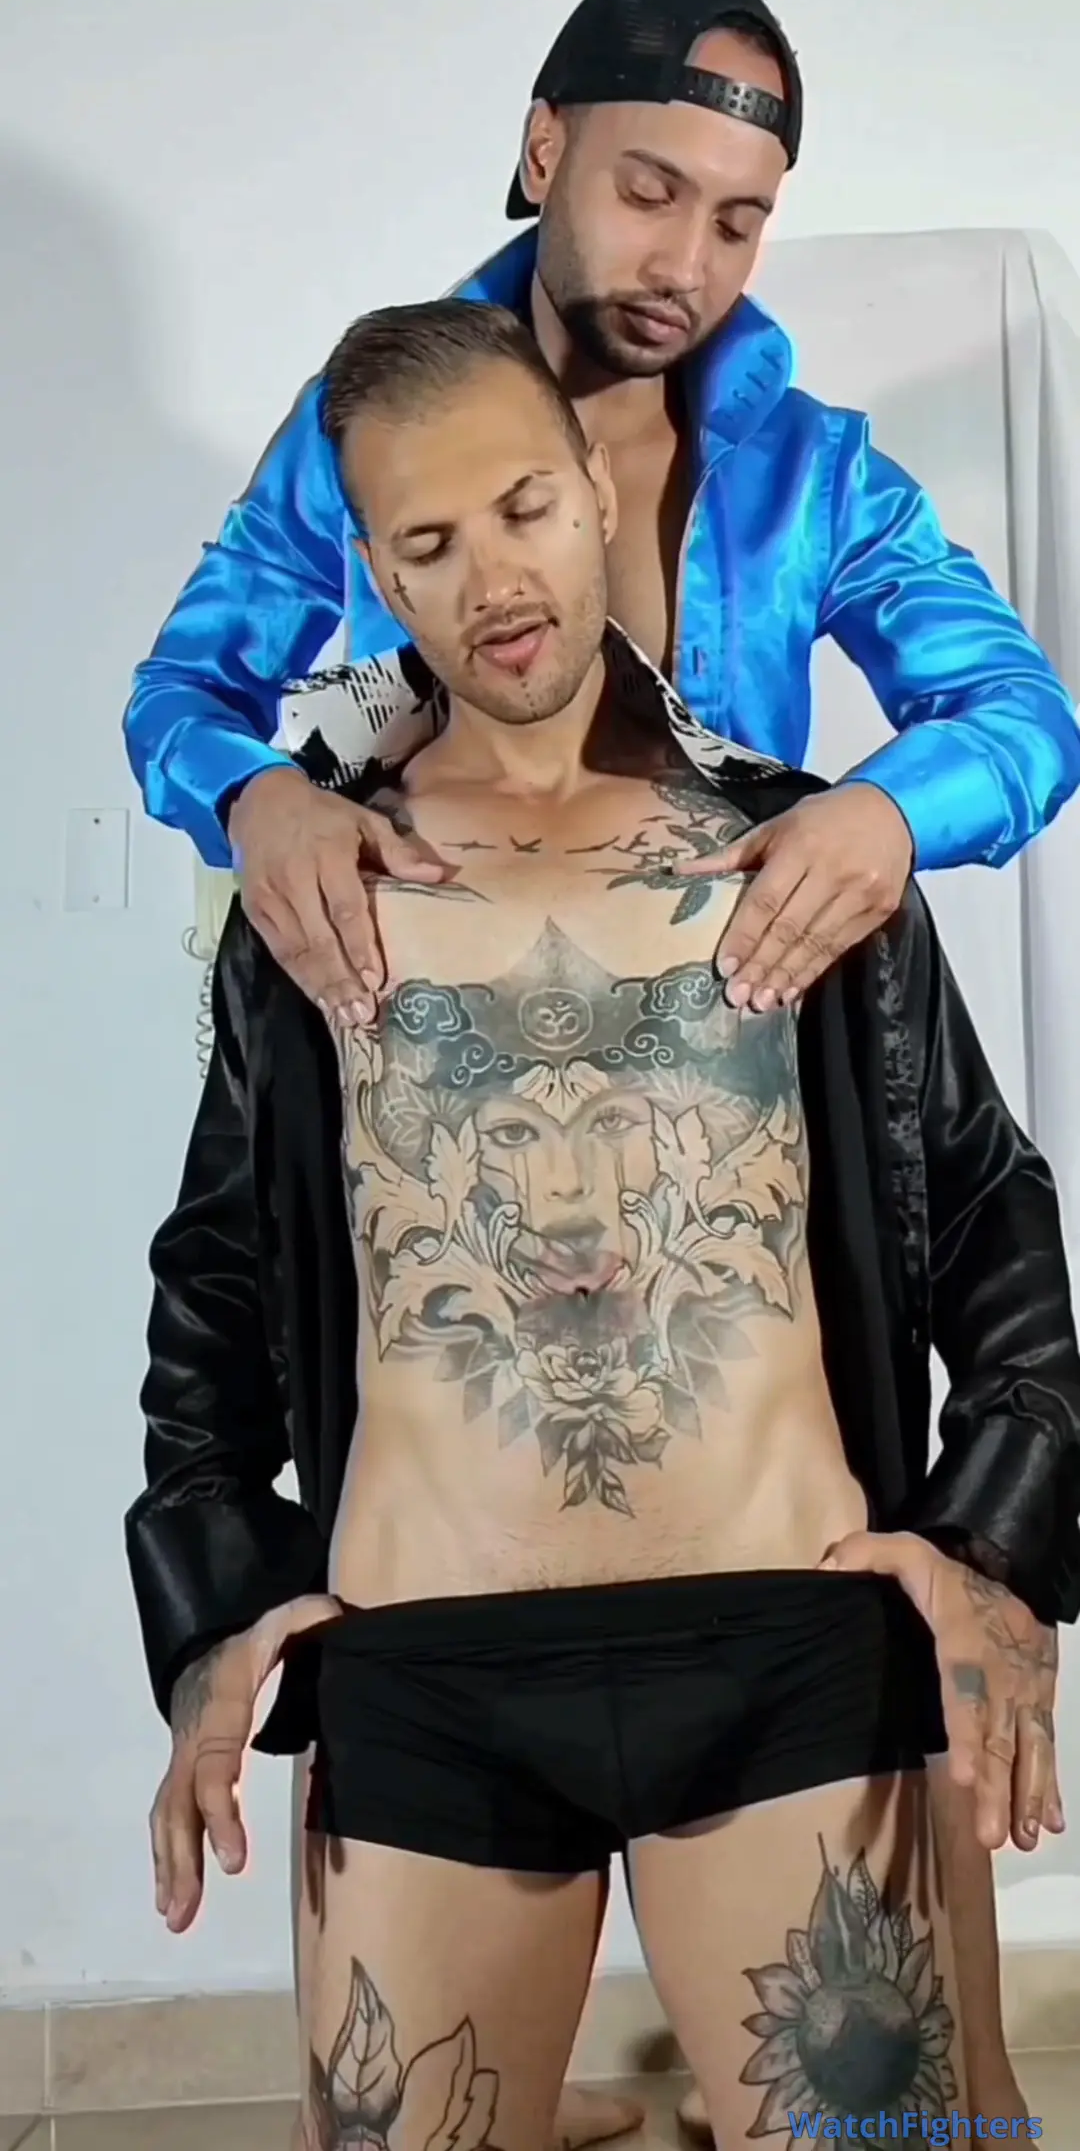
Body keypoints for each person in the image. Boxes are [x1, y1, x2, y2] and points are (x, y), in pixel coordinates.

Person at [128, 300, 1080, 2151]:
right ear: (371, 573)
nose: (493, 578)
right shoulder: (317, 889)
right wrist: (213, 1614)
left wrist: (993, 1550)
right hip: (423, 1672)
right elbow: (217, 1275)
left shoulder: (807, 853)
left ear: (592, 485)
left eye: (523, 508)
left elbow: (990, 1211)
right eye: (427, 542)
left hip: (793, 1645)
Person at [123, 0, 1080, 1043]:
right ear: (545, 152)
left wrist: (890, 813)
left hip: (729, 1053)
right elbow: (183, 694)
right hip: (430, 1033)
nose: (685, 267)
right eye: (648, 193)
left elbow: (1024, 715)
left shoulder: (815, 476)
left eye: (736, 224)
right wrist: (256, 798)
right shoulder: (362, 436)